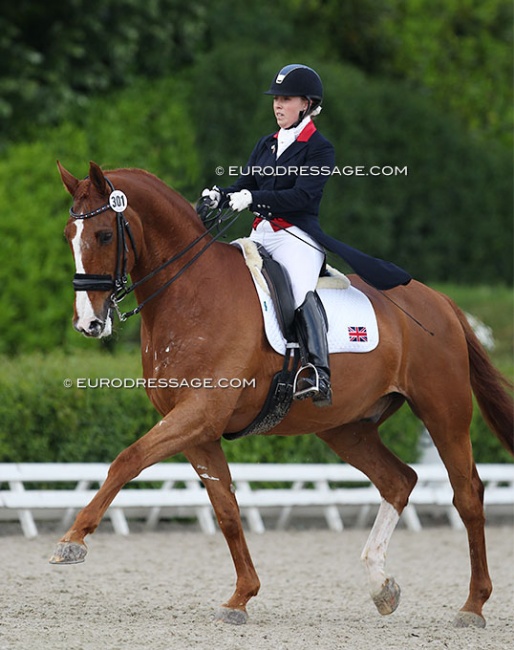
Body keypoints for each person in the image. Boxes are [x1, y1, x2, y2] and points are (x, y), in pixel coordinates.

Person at [201, 63, 411, 408]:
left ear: (307, 104)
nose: (278, 105)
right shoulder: (267, 144)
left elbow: (303, 196)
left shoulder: (319, 148)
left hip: (296, 237)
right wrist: (221, 195)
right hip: (261, 234)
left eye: (286, 98)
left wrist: (254, 198)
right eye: (276, 99)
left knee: (297, 293)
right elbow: (245, 184)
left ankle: (318, 371)